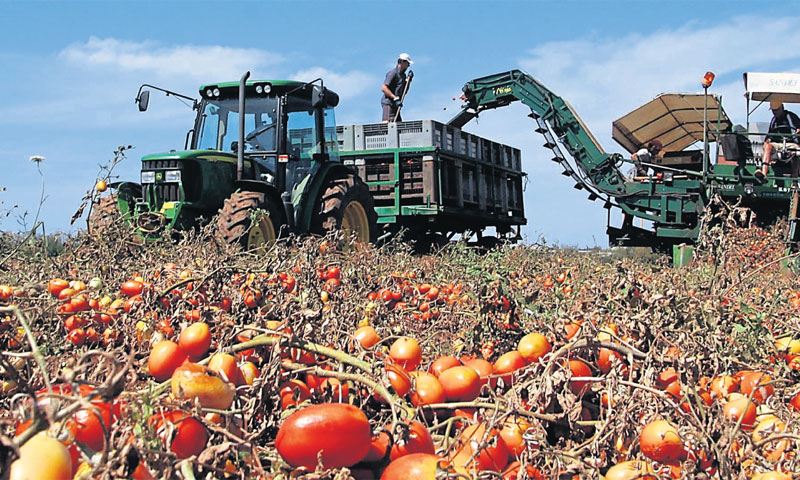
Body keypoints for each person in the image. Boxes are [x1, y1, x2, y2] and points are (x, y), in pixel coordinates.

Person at [756, 99, 800, 181]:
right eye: (773, 111)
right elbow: (769, 135)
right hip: (778, 145)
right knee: (768, 146)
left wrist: (798, 131)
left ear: (782, 108)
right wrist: (766, 143)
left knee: (796, 152)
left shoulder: (791, 117)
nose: (775, 112)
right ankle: (764, 173)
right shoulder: (774, 120)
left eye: (776, 110)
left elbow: (798, 129)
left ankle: (795, 180)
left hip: (791, 143)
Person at [381, 53, 412, 123]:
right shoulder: (393, 73)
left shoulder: (403, 75)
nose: (409, 65)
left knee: (398, 125)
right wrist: (394, 97)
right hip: (389, 103)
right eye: (407, 63)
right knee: (387, 123)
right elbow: (384, 88)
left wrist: (409, 81)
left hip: (396, 105)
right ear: (402, 62)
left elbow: (404, 92)